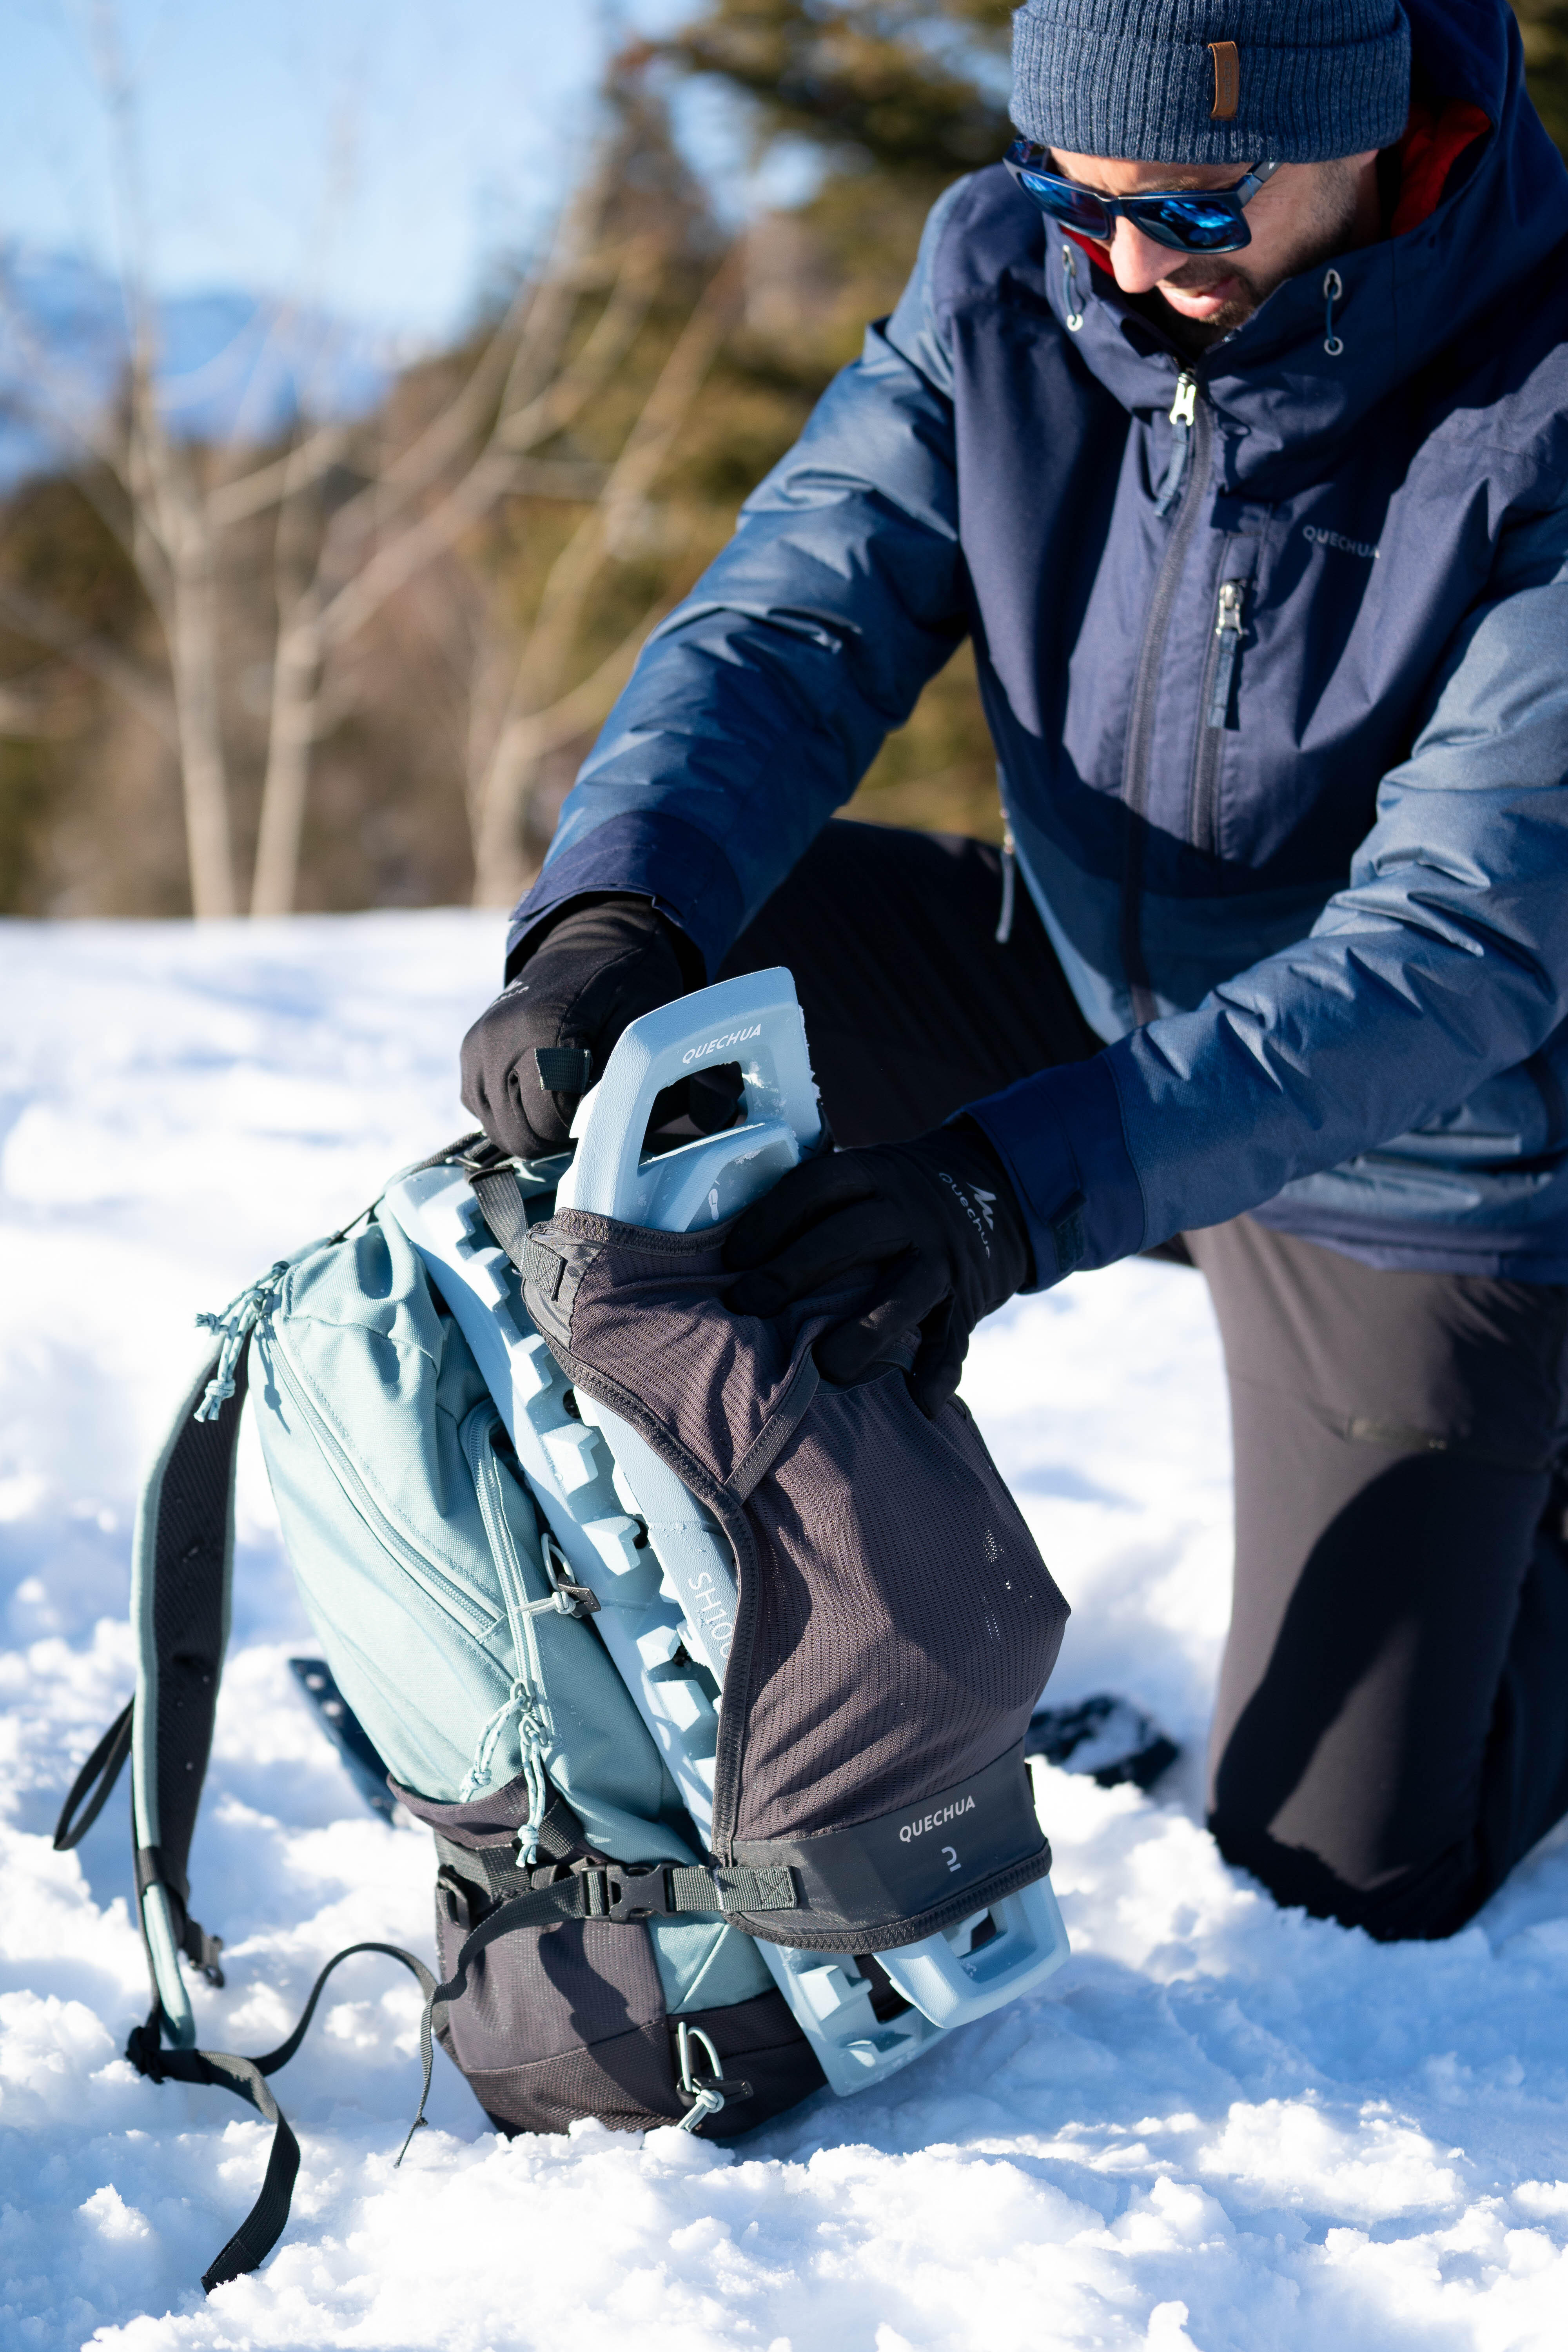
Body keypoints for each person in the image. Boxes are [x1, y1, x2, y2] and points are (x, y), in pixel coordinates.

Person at [460, 0, 1568, 1944]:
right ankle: (695, 1618)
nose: (1134, 262)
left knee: (1348, 1869)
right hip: (1067, 994)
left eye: (1203, 206)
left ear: (1375, 130)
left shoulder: (1544, 393)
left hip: (1430, 1142)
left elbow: (1460, 943)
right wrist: (609, 917)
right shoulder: (1006, 277)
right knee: (668, 1013)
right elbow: (796, 616)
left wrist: (1001, 1192)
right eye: (1078, 190)